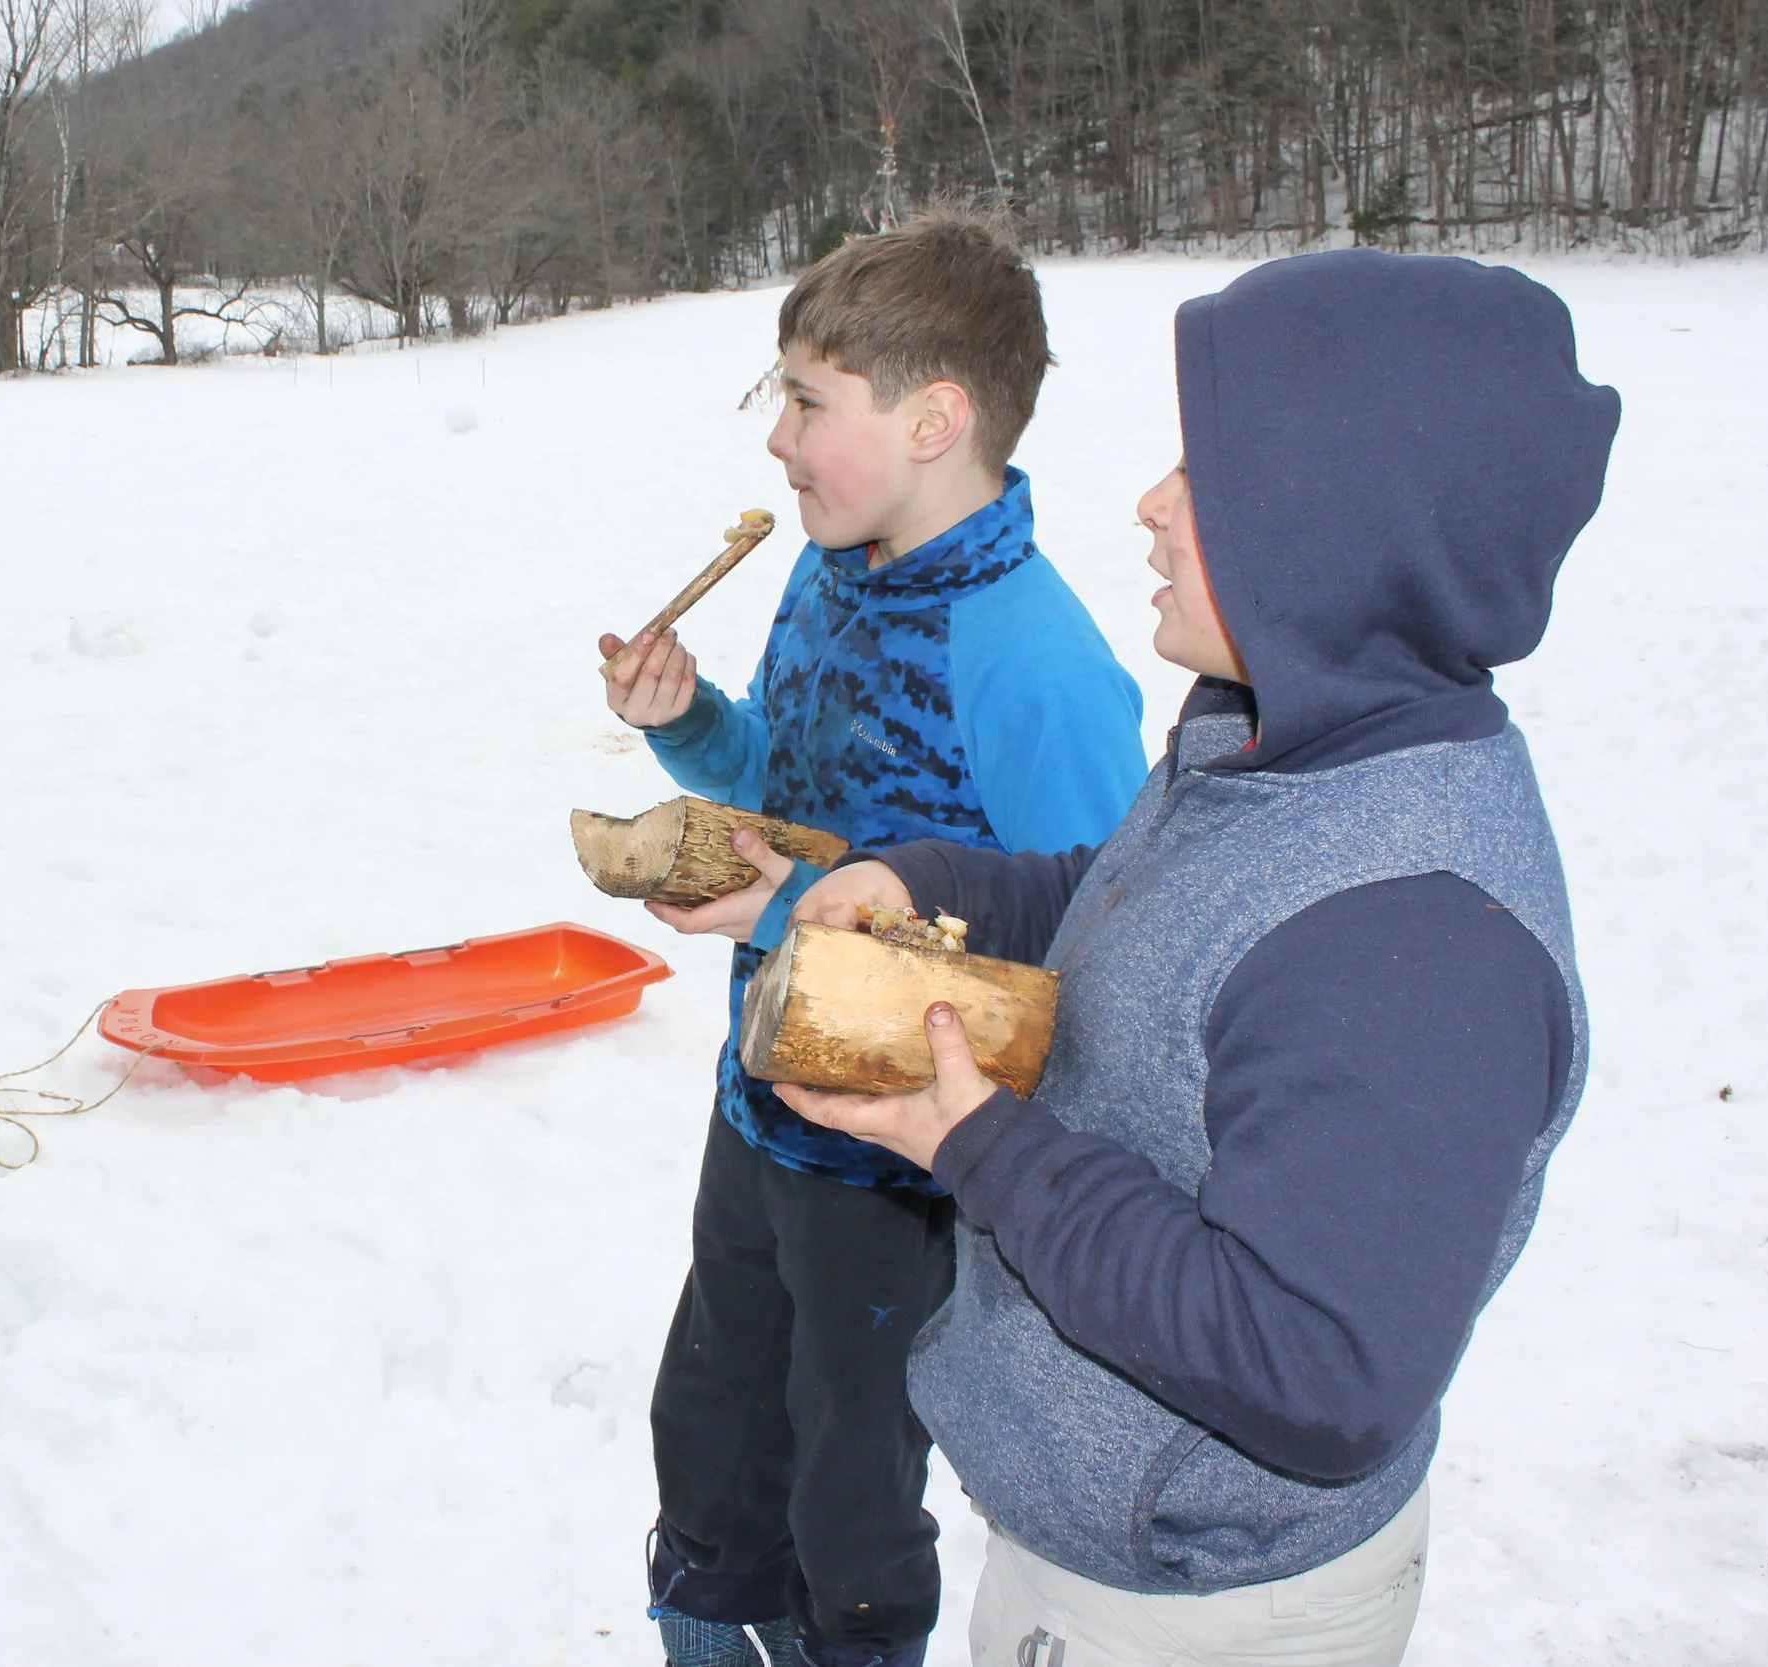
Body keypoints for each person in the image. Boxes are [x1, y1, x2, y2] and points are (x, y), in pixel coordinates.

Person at [773, 250, 1620, 1666]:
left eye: (1206, 475)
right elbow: (1133, 909)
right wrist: (927, 878)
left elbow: (1319, 1368)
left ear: (1335, 532)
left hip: (1195, 1608)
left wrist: (983, 1142)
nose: (1154, 504)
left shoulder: (1412, 936)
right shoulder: (1281, 736)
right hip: (1098, 1551)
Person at [599, 208, 1146, 1667]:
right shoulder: (832, 571)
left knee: (850, 1504)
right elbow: (786, 790)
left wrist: (781, 906)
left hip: (899, 1171)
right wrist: (693, 730)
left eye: (807, 402)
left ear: (933, 418)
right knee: (711, 1442)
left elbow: (1089, 950)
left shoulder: (1032, 653)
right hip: (760, 1105)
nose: (777, 441)